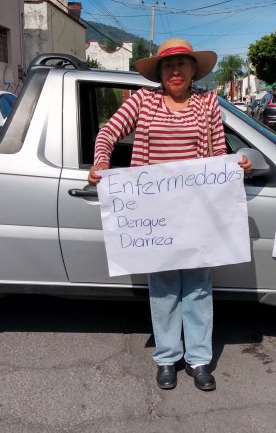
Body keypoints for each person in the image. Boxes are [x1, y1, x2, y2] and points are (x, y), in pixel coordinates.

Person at [87, 38, 252, 391]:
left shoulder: (207, 103)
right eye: (167, 65)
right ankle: (166, 358)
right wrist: (102, 160)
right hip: (155, 213)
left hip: (198, 210)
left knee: (197, 288)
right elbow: (108, 131)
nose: (175, 71)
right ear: (160, 72)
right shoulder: (142, 101)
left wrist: (237, 165)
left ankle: (198, 359)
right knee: (162, 288)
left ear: (193, 70)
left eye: (182, 64)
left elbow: (217, 152)